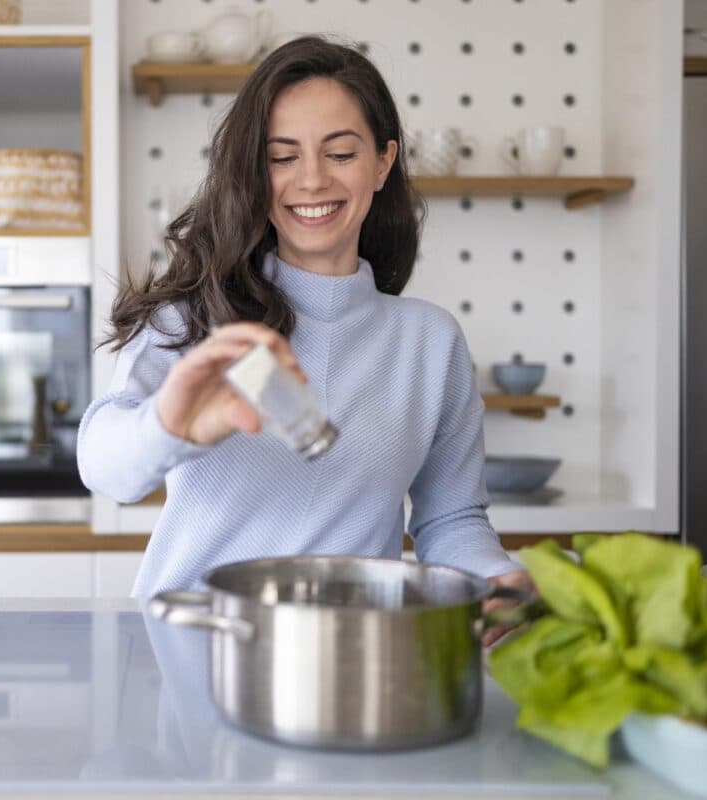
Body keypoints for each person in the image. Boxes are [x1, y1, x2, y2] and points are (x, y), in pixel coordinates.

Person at [78, 36, 531, 624]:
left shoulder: (430, 342)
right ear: (253, 172)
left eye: (340, 154)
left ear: (383, 162)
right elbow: (105, 471)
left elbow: (450, 520)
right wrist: (169, 422)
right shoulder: (196, 319)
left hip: (350, 661)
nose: (311, 180)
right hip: (200, 653)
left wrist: (497, 579)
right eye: (281, 157)